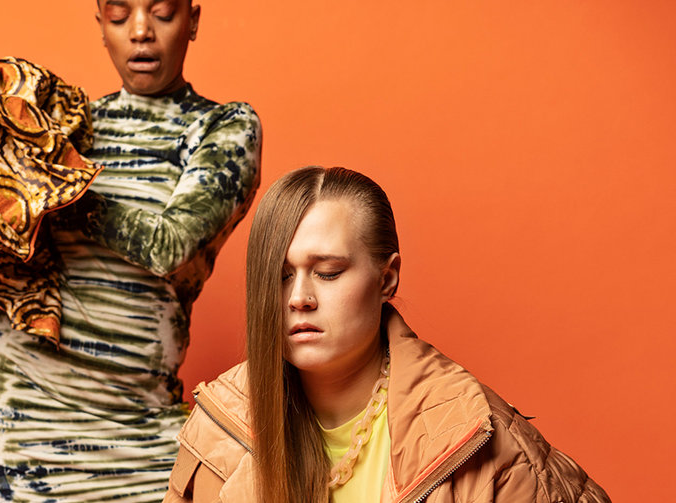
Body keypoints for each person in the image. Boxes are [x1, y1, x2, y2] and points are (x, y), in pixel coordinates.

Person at [0, 0, 262, 501]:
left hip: (140, 411)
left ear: (192, 20)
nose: (141, 31)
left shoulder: (224, 126)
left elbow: (170, 244)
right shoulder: (66, 128)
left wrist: (50, 193)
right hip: (23, 403)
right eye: (120, 14)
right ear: (100, 25)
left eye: (161, 12)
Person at [163, 167, 608, 503]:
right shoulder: (218, 424)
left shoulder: (475, 436)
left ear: (387, 278)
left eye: (328, 272)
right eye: (280, 277)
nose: (299, 298)